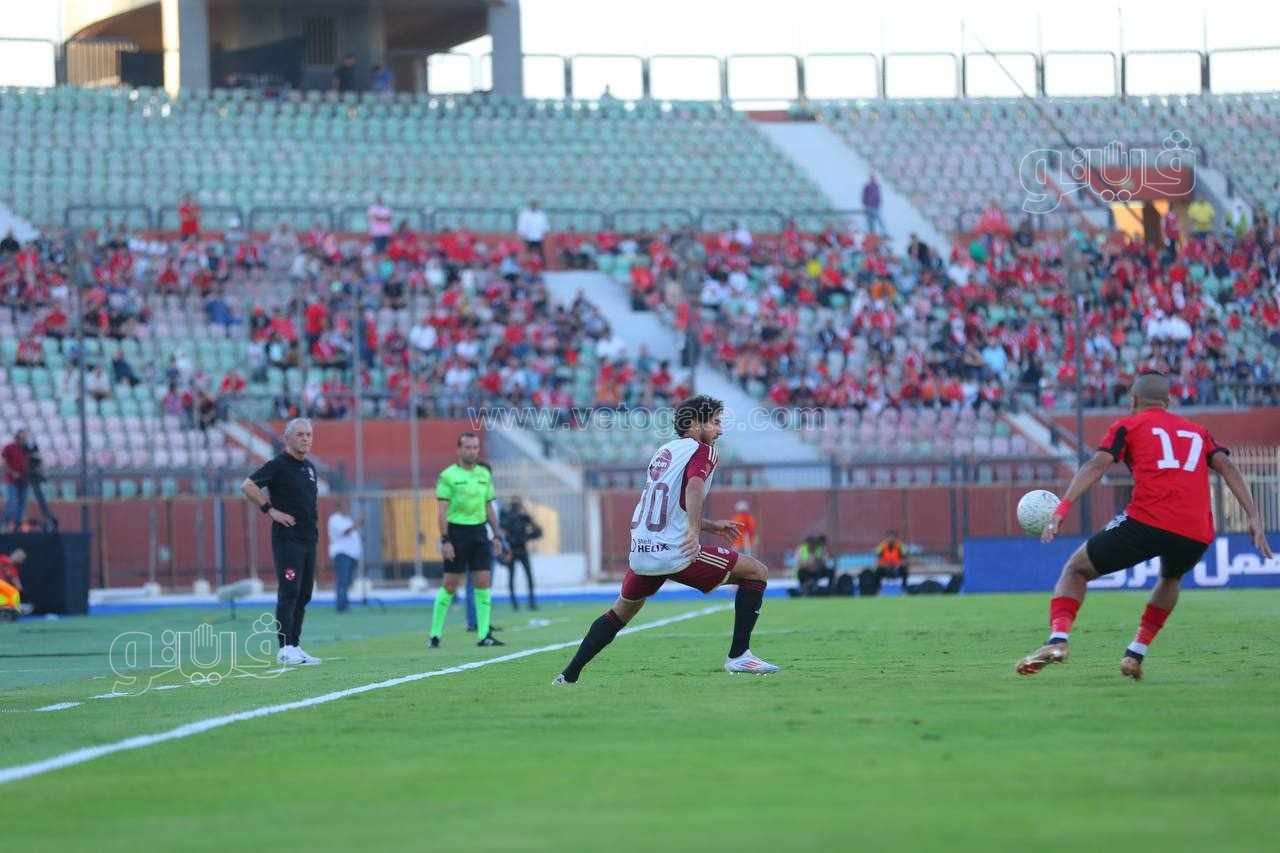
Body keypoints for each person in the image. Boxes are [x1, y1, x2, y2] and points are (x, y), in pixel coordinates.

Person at [1017, 372, 1274, 680]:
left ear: (1133, 400)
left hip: (1147, 520)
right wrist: (1254, 517)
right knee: (1171, 578)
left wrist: (1062, 509)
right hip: (1196, 530)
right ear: (1168, 401)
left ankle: (1058, 641)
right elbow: (1227, 466)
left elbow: (1096, 466)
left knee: (1076, 569)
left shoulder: (1128, 426)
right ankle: (1135, 654)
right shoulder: (1198, 432)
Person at [554, 395, 779, 684]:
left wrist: (711, 526)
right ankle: (739, 655)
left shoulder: (664, 451)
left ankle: (568, 675)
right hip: (673, 550)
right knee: (756, 572)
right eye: (716, 422)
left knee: (620, 612)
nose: (721, 430)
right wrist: (694, 531)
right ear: (696, 423)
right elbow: (694, 488)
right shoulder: (704, 450)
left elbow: (668, 506)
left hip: (642, 549)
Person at [241, 418, 323, 666]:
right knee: (289, 591)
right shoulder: (278, 465)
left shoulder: (310, 468)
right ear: (287, 438)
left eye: (309, 434)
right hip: (288, 540)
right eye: (300, 434)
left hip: (308, 539)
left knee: (304, 593)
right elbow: (248, 486)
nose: (306, 438)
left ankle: (295, 645)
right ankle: (284, 648)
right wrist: (270, 510)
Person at [430, 433, 509, 648]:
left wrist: (497, 535)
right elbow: (441, 511)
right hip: (456, 533)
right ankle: (435, 634)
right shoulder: (448, 476)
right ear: (459, 450)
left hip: (479, 533)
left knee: (483, 582)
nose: (472, 451)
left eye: (475, 447)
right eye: (468, 447)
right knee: (450, 584)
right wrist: (445, 540)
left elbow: (488, 507)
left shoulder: (484, 474)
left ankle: (483, 635)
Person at [499, 497, 543, 610]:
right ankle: (518, 603)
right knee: (516, 577)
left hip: (519, 550)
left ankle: (526, 603)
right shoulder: (509, 517)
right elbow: (502, 532)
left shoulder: (522, 517)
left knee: (523, 576)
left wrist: (526, 536)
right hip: (513, 550)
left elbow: (538, 532)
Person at [327, 498, 362, 614]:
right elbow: (345, 532)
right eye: (345, 505)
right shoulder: (335, 519)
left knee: (347, 581)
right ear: (339, 507)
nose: (347, 508)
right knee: (342, 580)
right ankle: (341, 605)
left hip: (351, 554)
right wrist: (357, 524)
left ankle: (345, 602)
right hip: (342, 554)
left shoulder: (347, 519)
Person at [21, 434, 56, 531]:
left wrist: (38, 470)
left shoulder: (36, 460)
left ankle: (48, 522)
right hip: (25, 482)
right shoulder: (25, 458)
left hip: (35, 482)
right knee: (23, 504)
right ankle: (20, 523)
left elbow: (39, 468)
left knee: (42, 504)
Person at [3, 431, 30, 534]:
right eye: (22, 438)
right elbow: (4, 463)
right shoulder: (9, 448)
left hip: (24, 480)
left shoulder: (26, 449)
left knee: (22, 503)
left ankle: (17, 526)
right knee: (12, 502)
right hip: (12, 480)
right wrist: (12, 472)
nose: (24, 440)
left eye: (25, 438)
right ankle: (6, 523)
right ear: (17, 438)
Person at [0, 548, 23, 621]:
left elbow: (19, 587)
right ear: (13, 553)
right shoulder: (2, 558)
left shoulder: (13, 570)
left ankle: (9, 614)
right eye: (18, 555)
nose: (18, 557)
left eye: (21, 557)